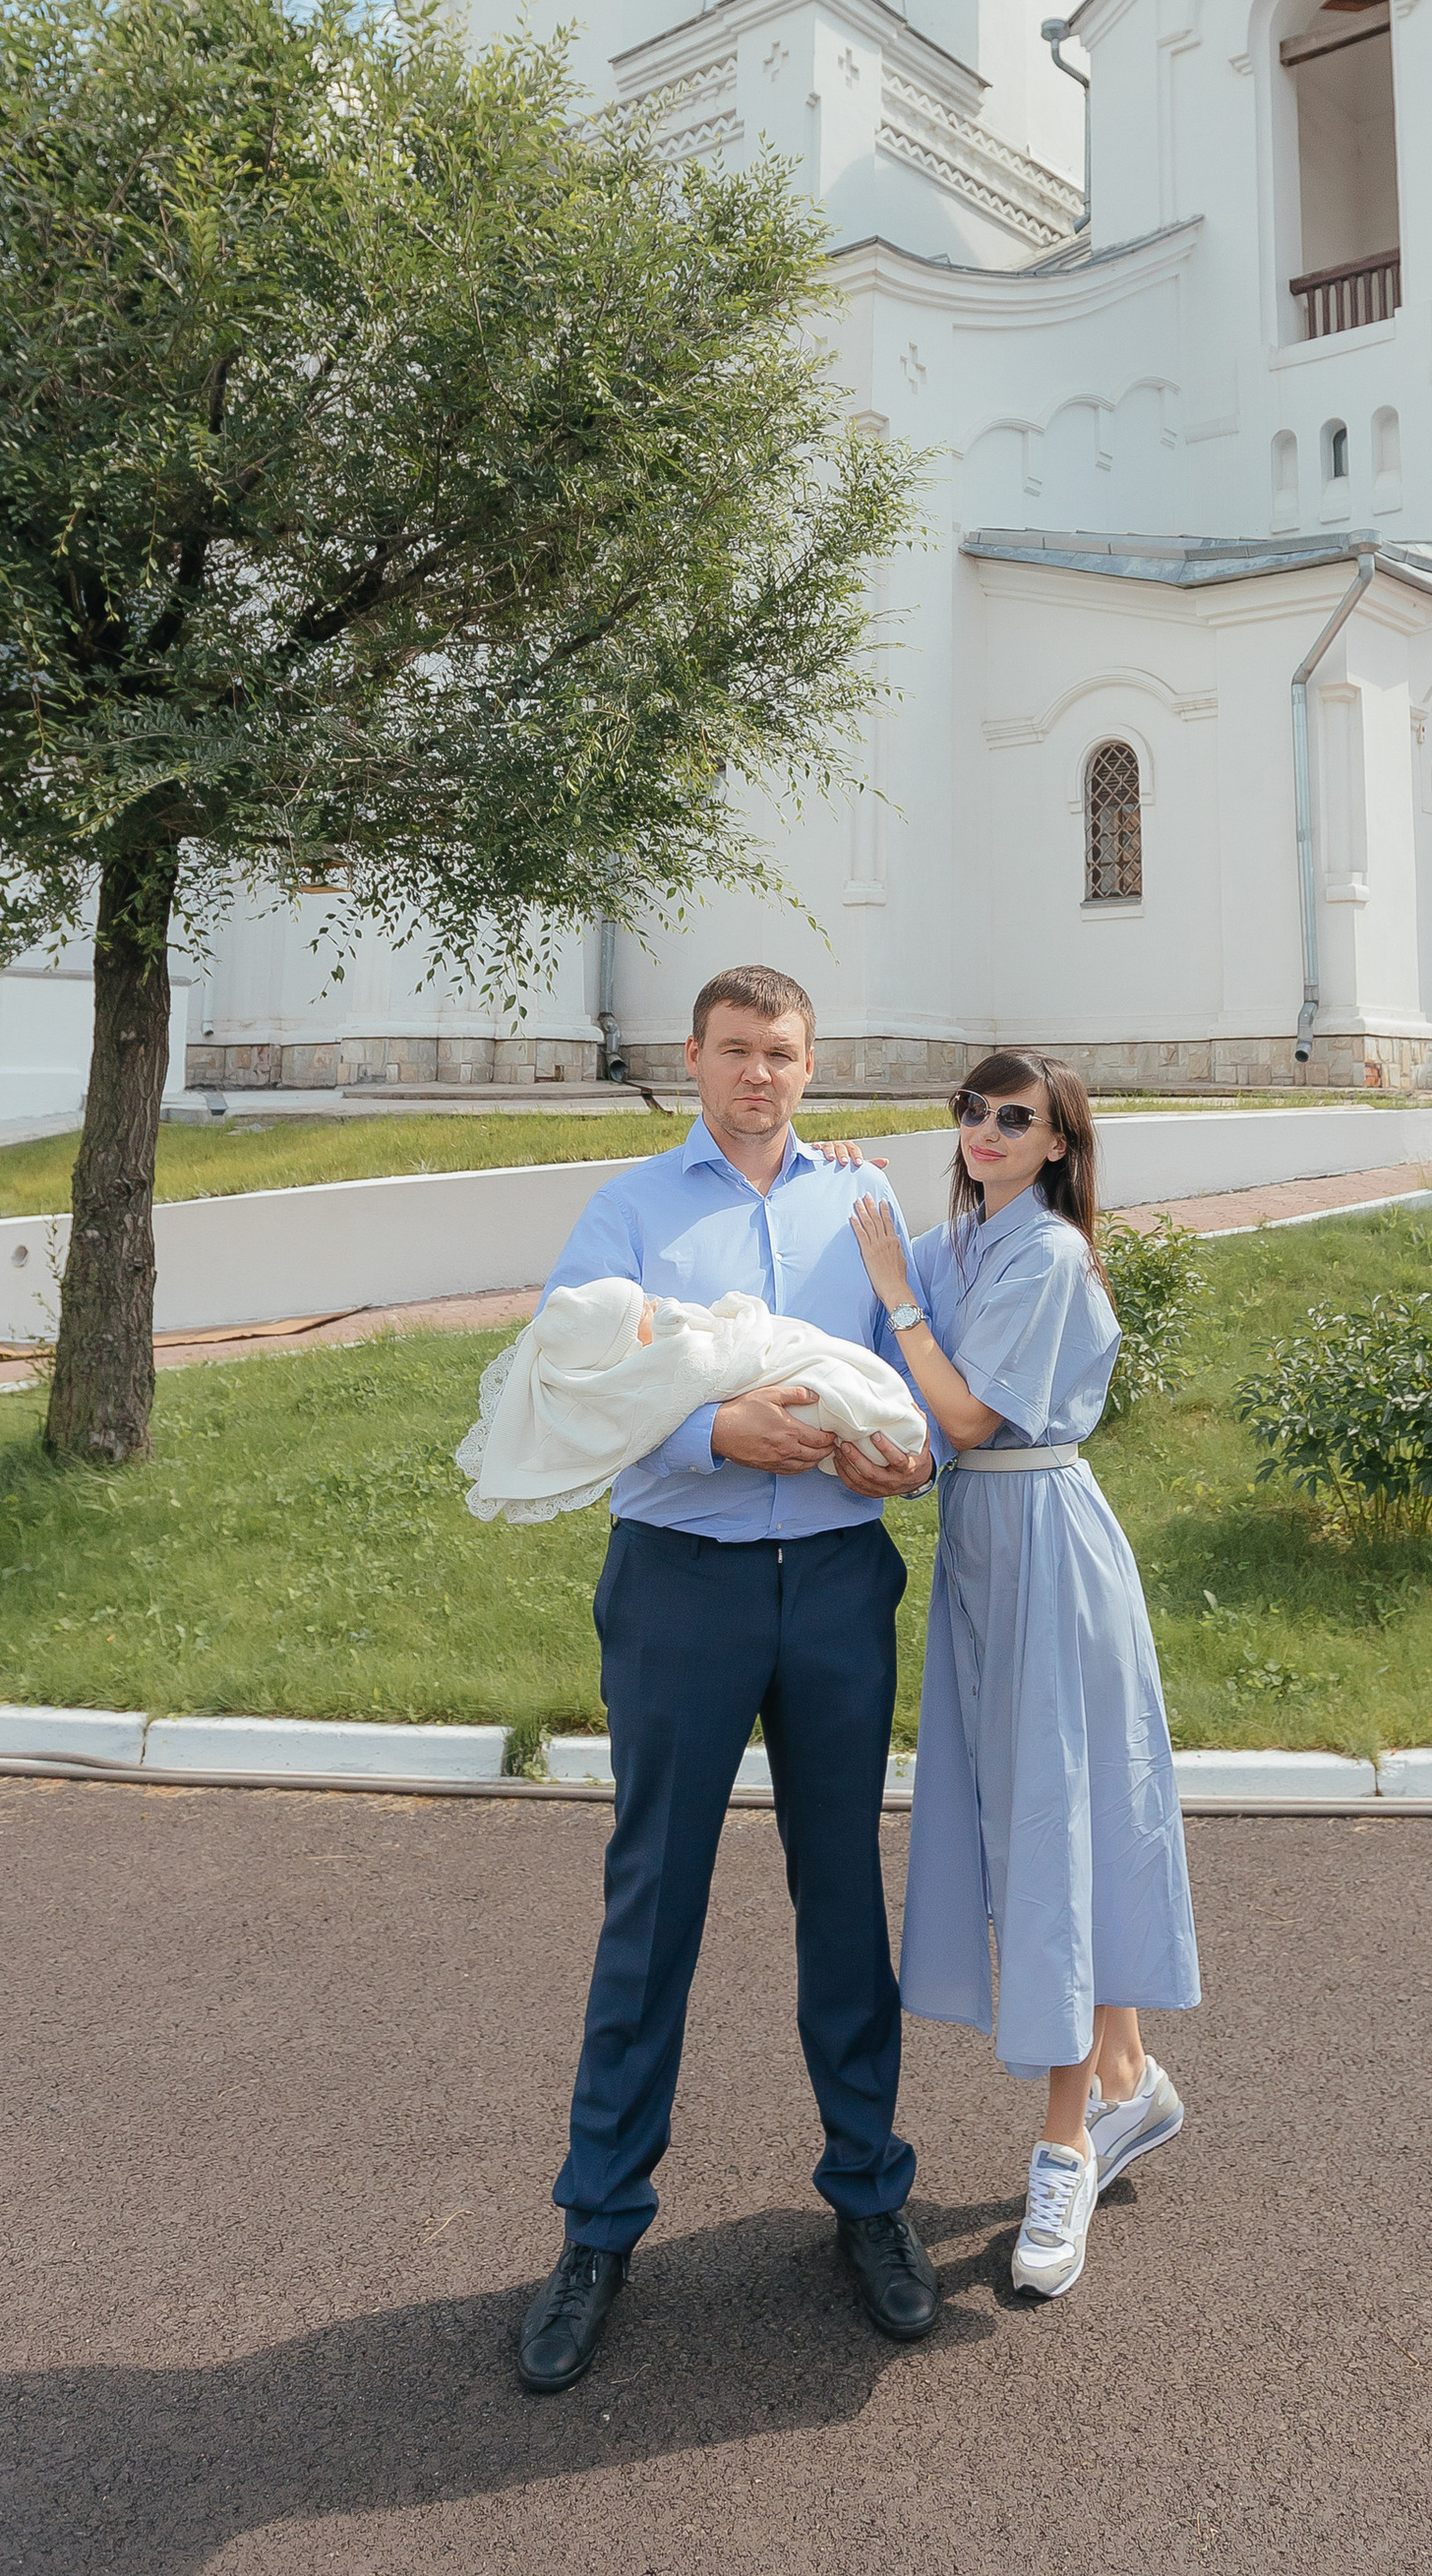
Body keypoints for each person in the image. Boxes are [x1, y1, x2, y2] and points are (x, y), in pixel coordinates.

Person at [512, 966, 940, 2397]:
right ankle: (597, 2229)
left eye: (786, 1054)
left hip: (833, 1587)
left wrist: (905, 1461)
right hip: (680, 1591)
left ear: (813, 1067)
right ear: (692, 1059)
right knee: (653, 1905)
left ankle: (871, 2197)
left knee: (843, 1897)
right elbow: (580, 1384)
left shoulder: (863, 1206)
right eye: (739, 1052)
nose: (763, 1075)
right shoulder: (632, 1209)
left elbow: (909, 1392)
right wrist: (712, 1433)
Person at [852, 1050, 1199, 2302]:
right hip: (983, 1558)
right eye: (972, 1111)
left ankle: (1066, 2146)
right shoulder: (961, 1242)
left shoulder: (1044, 1253)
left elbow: (966, 1419)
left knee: (1054, 1826)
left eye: (1018, 1119)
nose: (988, 1132)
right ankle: (1125, 2078)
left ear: (1058, 1145)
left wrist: (890, 1287)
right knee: (1041, 1820)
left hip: (1046, 1546)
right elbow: (899, 1373)